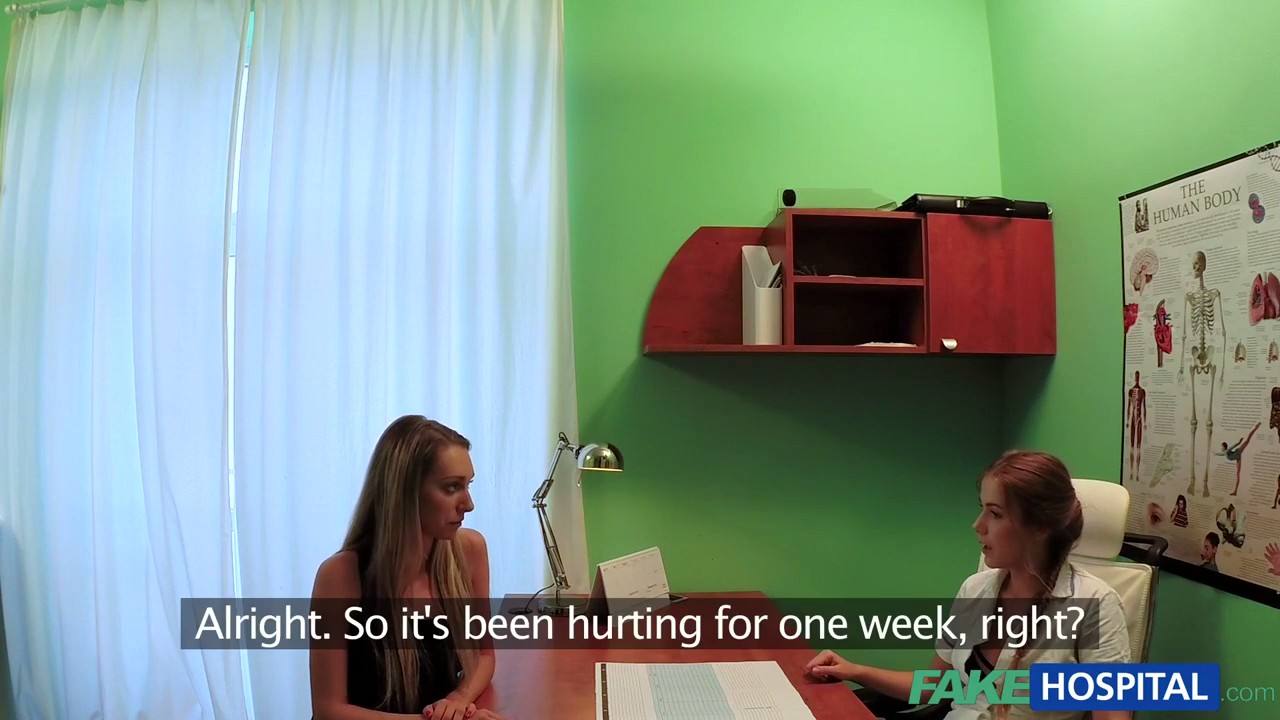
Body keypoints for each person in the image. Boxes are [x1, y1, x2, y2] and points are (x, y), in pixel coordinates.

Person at [805, 451, 1132, 720]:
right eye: (982, 510)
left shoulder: (1096, 605)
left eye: (995, 514)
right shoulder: (975, 590)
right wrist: (854, 670)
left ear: (1040, 526)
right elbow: (937, 685)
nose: (978, 525)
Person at [311, 416, 504, 720]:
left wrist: (457, 701)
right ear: (404, 492)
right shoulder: (339, 576)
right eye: (451, 487)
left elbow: (483, 655)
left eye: (468, 485)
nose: (468, 504)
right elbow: (329, 710)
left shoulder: (470, 552)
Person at [1215, 422, 1261, 495]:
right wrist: (1215, 454)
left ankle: (1256, 428)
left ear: (1224, 447)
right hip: (1237, 458)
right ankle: (1235, 491)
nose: (1221, 448)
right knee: (1238, 473)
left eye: (1221, 446)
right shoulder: (1224, 453)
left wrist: (1239, 443)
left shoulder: (1226, 451)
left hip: (1238, 452)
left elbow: (1232, 447)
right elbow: (1220, 454)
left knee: (1247, 440)